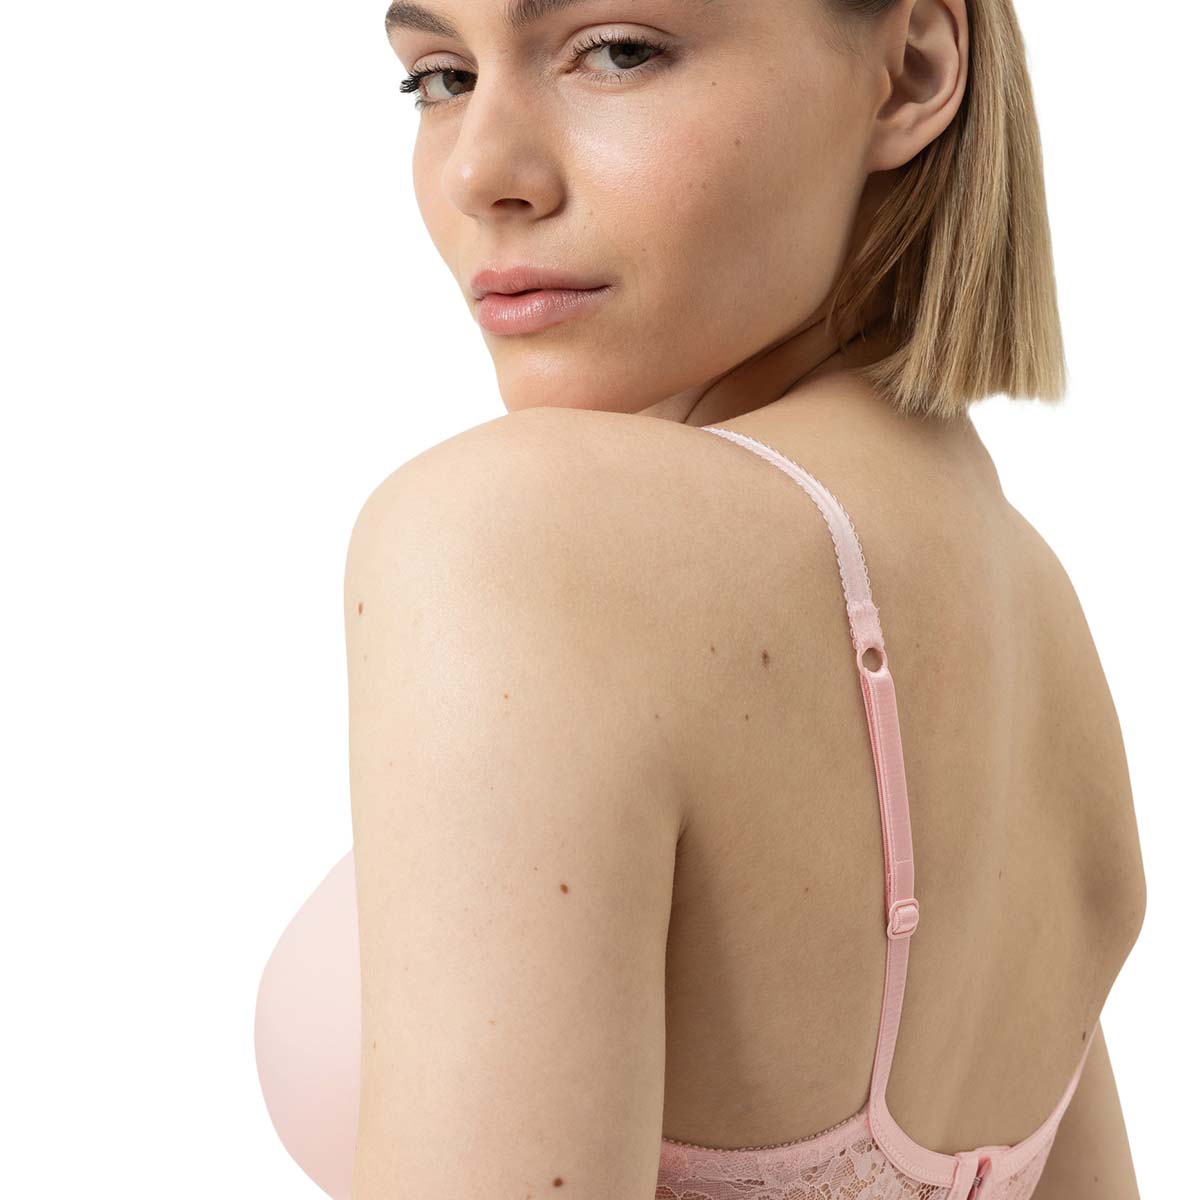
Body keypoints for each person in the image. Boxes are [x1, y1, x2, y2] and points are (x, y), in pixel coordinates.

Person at [254, 2, 1147, 1197]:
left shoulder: (522, 533)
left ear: (909, 72)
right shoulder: (1037, 616)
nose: (480, 171)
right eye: (442, 77)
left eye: (618, 51)